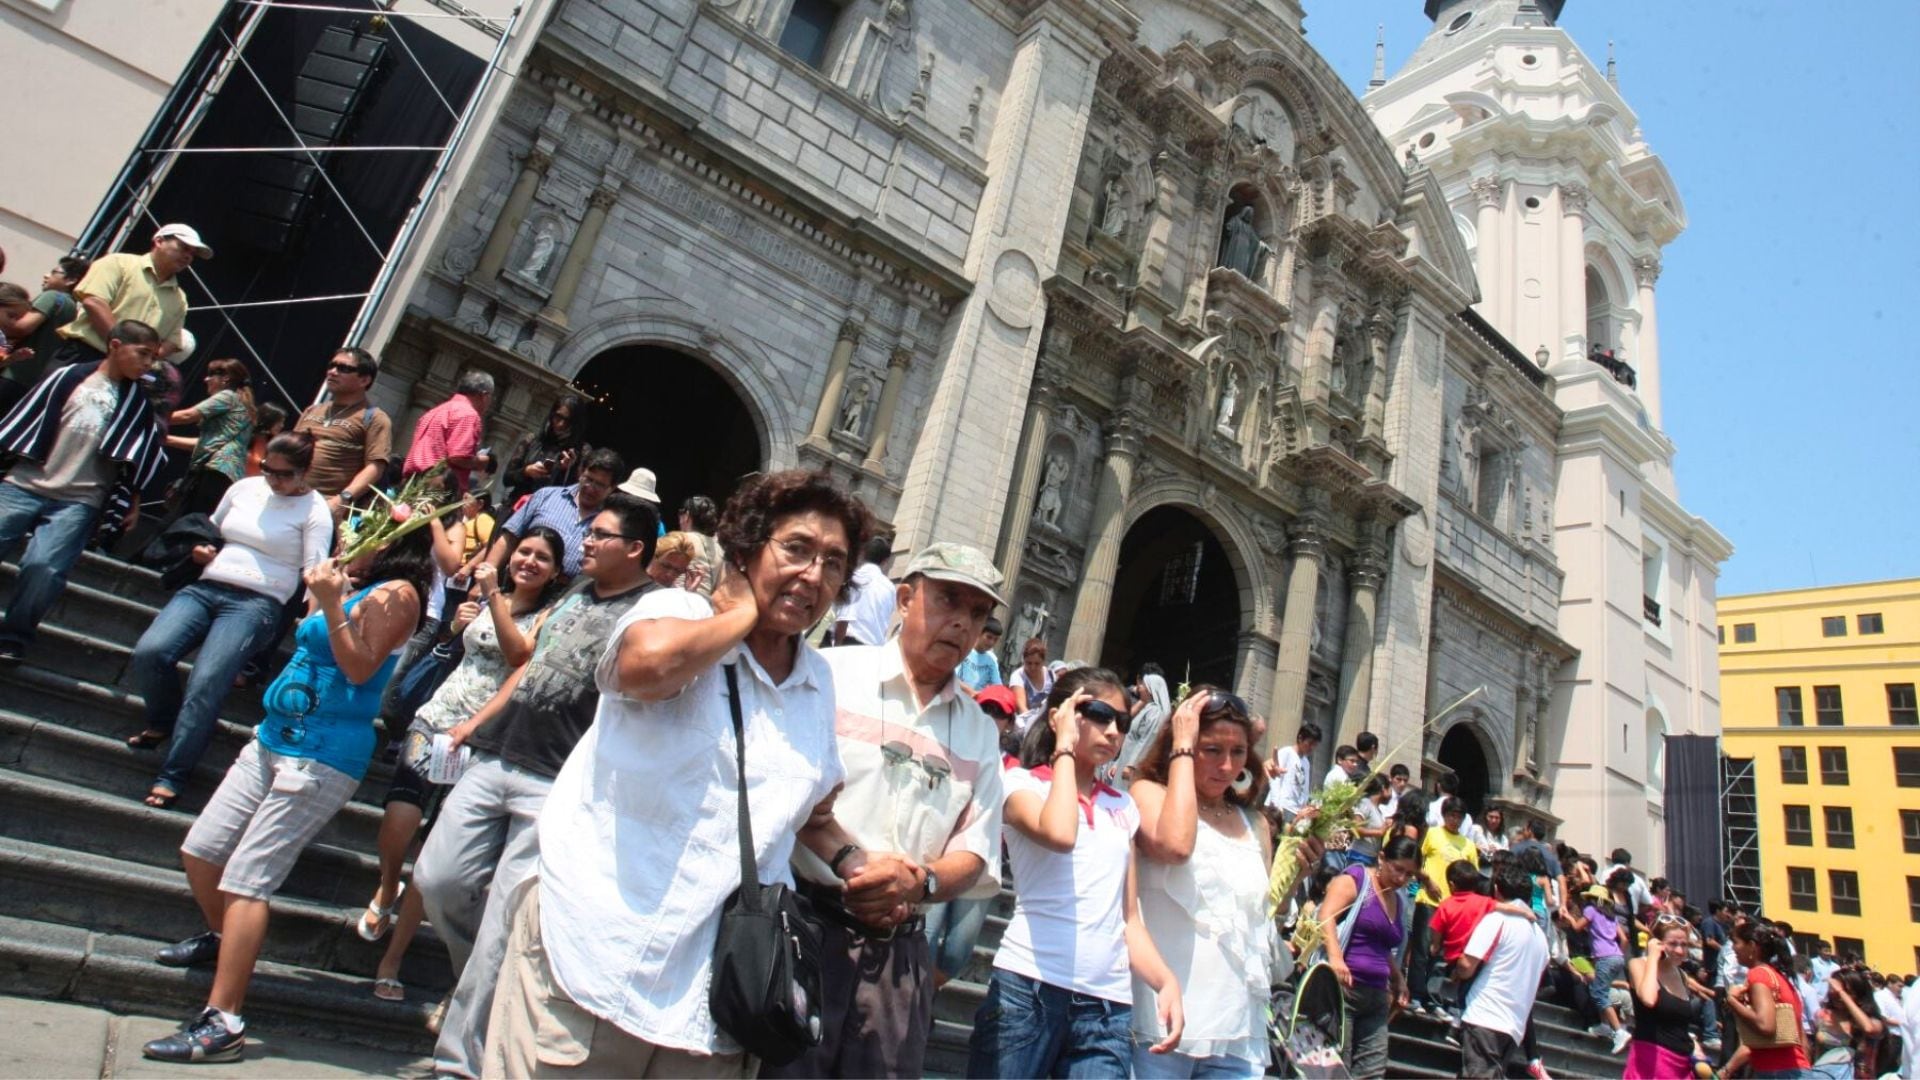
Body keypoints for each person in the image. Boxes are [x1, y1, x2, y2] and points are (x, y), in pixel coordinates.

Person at [483, 470, 869, 1076]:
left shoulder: (816, 682)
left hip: (711, 1002)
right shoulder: (676, 610)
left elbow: (808, 814)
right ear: (743, 552)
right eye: (796, 549)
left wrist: (858, 866)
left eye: (834, 563)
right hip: (593, 950)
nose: (814, 575)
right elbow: (644, 670)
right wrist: (740, 617)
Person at [139, 531, 430, 1063]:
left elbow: (360, 667)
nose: (348, 541)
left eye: (364, 531)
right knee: (201, 850)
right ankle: (222, 938)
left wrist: (331, 602)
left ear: (392, 541)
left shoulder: (401, 594)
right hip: (274, 738)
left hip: (320, 754)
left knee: (247, 879)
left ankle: (223, 1022)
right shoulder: (358, 586)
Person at [412, 494, 657, 1078]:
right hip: (498, 751)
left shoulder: (649, 611)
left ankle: (458, 1061)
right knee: (437, 879)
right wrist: (479, 720)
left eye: (600, 535)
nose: (587, 542)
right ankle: (488, 981)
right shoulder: (573, 591)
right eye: (589, 533)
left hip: (557, 778)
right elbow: (524, 658)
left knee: (502, 917)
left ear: (635, 549)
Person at [764, 542, 1010, 1078]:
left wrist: (916, 886)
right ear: (904, 598)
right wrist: (856, 864)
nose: (961, 624)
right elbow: (783, 792)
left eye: (977, 614)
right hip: (802, 929)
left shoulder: (978, 733)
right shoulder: (828, 674)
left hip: (899, 960)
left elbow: (975, 853)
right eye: (948, 601)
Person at [360, 528, 566, 1002]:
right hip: (436, 716)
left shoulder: (549, 615)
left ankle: (394, 957)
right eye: (525, 552)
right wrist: (457, 626)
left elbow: (519, 654)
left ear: (555, 571)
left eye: (542, 558)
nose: (529, 562)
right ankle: (388, 886)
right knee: (402, 811)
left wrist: (493, 594)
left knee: (436, 849)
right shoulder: (483, 595)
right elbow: (455, 647)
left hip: (485, 734)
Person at [967, 667, 1186, 1077]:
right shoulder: (1021, 785)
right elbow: (1060, 832)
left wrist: (1165, 980)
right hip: (1027, 988)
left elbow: (1129, 919)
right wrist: (1064, 749)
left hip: (1106, 1007)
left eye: (1122, 720)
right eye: (1100, 713)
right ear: (1060, 715)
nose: (1113, 730)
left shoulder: (1123, 806)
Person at [124, 432, 331, 805]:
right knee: (151, 652)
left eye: (284, 475)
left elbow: (315, 573)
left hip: (258, 601)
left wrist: (312, 618)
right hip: (207, 585)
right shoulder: (244, 488)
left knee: (208, 680)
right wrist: (201, 551)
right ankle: (164, 720)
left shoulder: (315, 511)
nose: (273, 479)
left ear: (304, 473)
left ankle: (174, 772)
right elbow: (212, 532)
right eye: (268, 468)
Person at [0, 320, 168, 664]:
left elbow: (137, 454)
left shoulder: (138, 402)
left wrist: (132, 500)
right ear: (115, 345)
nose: (148, 364)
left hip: (80, 499)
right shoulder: (69, 377)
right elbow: (25, 420)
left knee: (45, 568)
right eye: (143, 354)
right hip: (25, 483)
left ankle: (13, 637)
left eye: (153, 358)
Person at [1129, 687, 1273, 1079]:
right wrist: (1182, 745)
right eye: (1211, 750)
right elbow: (1175, 846)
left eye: (1238, 752)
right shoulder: (1147, 794)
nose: (1227, 766)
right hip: (1159, 1022)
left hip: (1237, 1028)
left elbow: (1257, 917)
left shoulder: (1255, 823)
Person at [1315, 835, 1418, 1078]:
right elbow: (1325, 916)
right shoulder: (1356, 880)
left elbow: (1382, 946)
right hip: (1344, 991)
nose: (1402, 878)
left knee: (1372, 1071)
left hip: (1376, 997)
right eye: (1398, 869)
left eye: (1409, 874)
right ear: (1382, 858)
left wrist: (1398, 978)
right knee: (1337, 1068)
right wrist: (1336, 957)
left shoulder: (1399, 899)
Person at [53, 224, 205, 368]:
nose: (188, 257)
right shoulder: (118, 263)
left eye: (193, 254)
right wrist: (125, 349)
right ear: (159, 241)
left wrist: (141, 358)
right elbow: (94, 302)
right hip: (84, 354)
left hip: (126, 370)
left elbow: (173, 341)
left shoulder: (179, 298)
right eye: (183, 248)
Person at [464, 447, 623, 579]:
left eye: (600, 485)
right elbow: (509, 538)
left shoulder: (611, 521)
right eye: (589, 479)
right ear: (581, 473)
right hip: (518, 586)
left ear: (612, 487)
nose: (591, 488)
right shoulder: (545, 496)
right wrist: (485, 577)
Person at [1454, 863, 1551, 1080]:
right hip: (1515, 1024)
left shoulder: (1497, 920)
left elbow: (1467, 967)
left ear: (1496, 888)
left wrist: (1457, 963)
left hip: (1485, 1015)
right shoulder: (1541, 937)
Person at [292, 348, 393, 517]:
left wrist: (343, 499)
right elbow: (288, 451)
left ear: (364, 380)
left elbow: (375, 467)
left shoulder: (375, 418)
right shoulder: (312, 410)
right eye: (332, 365)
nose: (333, 372)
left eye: (343, 368)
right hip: (287, 497)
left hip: (323, 508)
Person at [1409, 797, 1479, 1017]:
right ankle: (1416, 994)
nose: (1454, 820)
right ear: (1444, 815)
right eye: (1451, 815)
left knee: (1439, 955)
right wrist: (1427, 881)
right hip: (1429, 900)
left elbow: (1473, 875)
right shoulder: (1432, 834)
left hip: (1454, 906)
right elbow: (1415, 861)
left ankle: (1432, 996)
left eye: (1458, 817)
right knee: (1422, 948)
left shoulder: (1468, 845)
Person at [164, 357, 257, 518]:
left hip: (214, 470)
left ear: (225, 379)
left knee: (189, 518)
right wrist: (163, 438)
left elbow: (188, 415)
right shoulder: (242, 403)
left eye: (211, 375)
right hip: (223, 473)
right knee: (196, 518)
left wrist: (152, 417)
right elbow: (204, 444)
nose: (206, 379)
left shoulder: (228, 396)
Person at [1725, 919, 1812, 1078]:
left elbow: (1765, 1026)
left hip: (1776, 1071)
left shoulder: (1759, 975)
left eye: (1736, 942)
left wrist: (1731, 1001)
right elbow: (1803, 1040)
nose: (1733, 948)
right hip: (1796, 1069)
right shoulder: (1781, 978)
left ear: (1752, 946)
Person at [0, 256, 87, 413]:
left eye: (55, 272)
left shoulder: (53, 296)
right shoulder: (72, 308)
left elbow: (21, 329)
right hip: (31, 379)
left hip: (13, 373)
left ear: (70, 280)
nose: (47, 275)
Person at [1622, 911, 1699, 1077]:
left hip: (1682, 1063)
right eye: (1672, 944)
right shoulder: (1638, 964)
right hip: (1651, 1062)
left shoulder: (1682, 975)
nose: (1679, 950)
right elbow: (1648, 999)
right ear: (1657, 943)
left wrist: (1696, 1048)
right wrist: (1653, 958)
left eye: (1684, 944)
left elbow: (1681, 1023)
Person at [401, 370, 493, 496]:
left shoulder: (437, 410)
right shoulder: (468, 414)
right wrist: (480, 462)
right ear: (484, 395)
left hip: (411, 481)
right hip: (435, 487)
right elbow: (458, 457)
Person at [1568, 880, 1635, 1052]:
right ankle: (1603, 1024)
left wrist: (1568, 916)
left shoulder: (1591, 910)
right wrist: (1618, 952)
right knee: (1600, 989)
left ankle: (1619, 1031)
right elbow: (1625, 939)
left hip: (1604, 957)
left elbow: (1576, 927)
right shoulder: (1612, 917)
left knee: (1599, 993)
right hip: (1617, 956)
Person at [502, 395, 585, 507]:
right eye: (558, 417)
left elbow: (578, 494)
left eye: (568, 421)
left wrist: (567, 470)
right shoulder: (533, 441)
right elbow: (507, 478)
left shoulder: (580, 452)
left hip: (548, 512)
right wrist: (526, 471)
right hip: (518, 505)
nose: (561, 424)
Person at [1815, 970, 1886, 1078]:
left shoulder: (1873, 1021)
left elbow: (1869, 1029)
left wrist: (1841, 992)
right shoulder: (1822, 1015)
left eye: (1847, 991)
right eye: (1834, 990)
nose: (1837, 995)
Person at [1113, 663, 1172, 782]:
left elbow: (1146, 740)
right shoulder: (1146, 709)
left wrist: (1131, 765)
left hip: (1132, 765)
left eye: (1143, 685)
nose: (1139, 687)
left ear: (1151, 689)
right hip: (1124, 759)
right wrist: (1117, 763)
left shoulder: (1155, 712)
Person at [834, 534, 896, 645]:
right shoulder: (890, 588)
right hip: (873, 650)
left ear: (863, 554)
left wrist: (836, 646)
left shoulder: (852, 578)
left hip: (845, 643)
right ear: (885, 561)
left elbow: (842, 617)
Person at [1264, 721, 1322, 825]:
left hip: (1296, 811)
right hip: (1281, 806)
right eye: (1310, 743)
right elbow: (1275, 779)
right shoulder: (1286, 752)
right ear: (1300, 738)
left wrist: (1305, 807)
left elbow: (1304, 788)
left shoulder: (1306, 762)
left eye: (1315, 745)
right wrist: (1277, 805)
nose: (1312, 748)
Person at [955, 615, 1003, 692]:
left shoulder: (992, 660)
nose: (991, 642)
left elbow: (997, 686)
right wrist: (971, 692)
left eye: (996, 639)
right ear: (979, 632)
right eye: (989, 637)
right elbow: (952, 678)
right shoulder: (963, 650)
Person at [1009, 635, 1053, 717]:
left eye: (1037, 664)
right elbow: (1022, 709)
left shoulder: (1051, 676)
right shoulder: (1018, 677)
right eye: (1029, 663)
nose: (1033, 667)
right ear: (1023, 660)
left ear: (1043, 661)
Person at [242, 402, 287, 478]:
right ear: (269, 419)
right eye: (279, 422)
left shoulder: (273, 444)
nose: (282, 426)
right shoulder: (245, 435)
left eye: (283, 422)